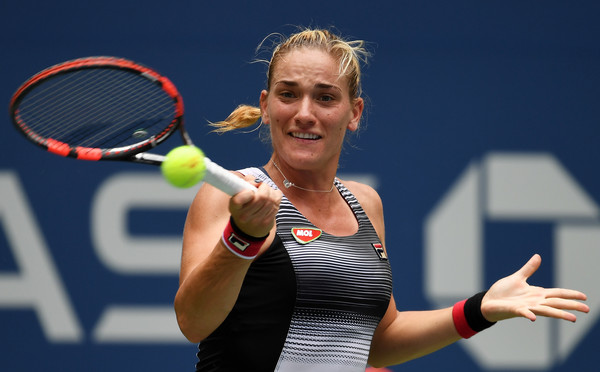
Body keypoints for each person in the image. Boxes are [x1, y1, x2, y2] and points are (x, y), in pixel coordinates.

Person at [174, 28, 589, 371]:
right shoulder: (229, 193)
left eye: (324, 97)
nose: (304, 112)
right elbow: (193, 322)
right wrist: (240, 240)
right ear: (266, 106)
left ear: (353, 113)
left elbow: (378, 342)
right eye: (288, 94)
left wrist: (481, 310)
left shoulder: (364, 202)